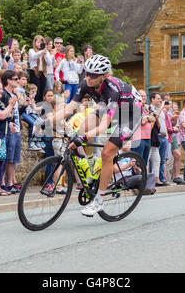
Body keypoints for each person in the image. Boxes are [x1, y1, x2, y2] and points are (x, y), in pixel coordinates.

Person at [46, 54, 143, 217]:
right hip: (108, 107)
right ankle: (91, 171)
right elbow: (69, 109)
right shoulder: (85, 83)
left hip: (129, 115)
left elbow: (105, 125)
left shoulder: (112, 90)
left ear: (104, 76)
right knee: (84, 127)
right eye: (86, 73)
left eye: (93, 75)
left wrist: (82, 138)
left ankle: (98, 200)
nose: (88, 77)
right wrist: (45, 122)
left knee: (106, 153)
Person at [0, 70, 21, 194]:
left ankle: (11, 182)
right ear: (8, 80)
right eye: (15, 79)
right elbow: (3, 110)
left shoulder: (14, 94)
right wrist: (9, 121)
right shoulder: (3, 94)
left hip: (17, 128)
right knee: (7, 157)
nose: (17, 81)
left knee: (13, 158)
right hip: (9, 128)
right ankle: (4, 183)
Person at [131, 89, 153, 166]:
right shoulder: (135, 107)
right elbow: (142, 121)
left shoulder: (146, 107)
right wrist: (148, 117)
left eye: (145, 96)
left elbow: (153, 119)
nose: (144, 97)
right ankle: (136, 178)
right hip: (138, 138)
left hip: (147, 137)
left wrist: (146, 117)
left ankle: (143, 178)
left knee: (144, 163)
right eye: (142, 96)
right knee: (138, 163)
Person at [28, 35, 51, 102]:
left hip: (43, 72)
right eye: (38, 42)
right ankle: (33, 105)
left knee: (42, 91)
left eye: (41, 42)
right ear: (35, 43)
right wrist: (41, 52)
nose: (39, 44)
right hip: (35, 72)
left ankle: (40, 106)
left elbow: (49, 63)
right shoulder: (31, 50)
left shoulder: (46, 52)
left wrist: (45, 53)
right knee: (36, 92)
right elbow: (34, 57)